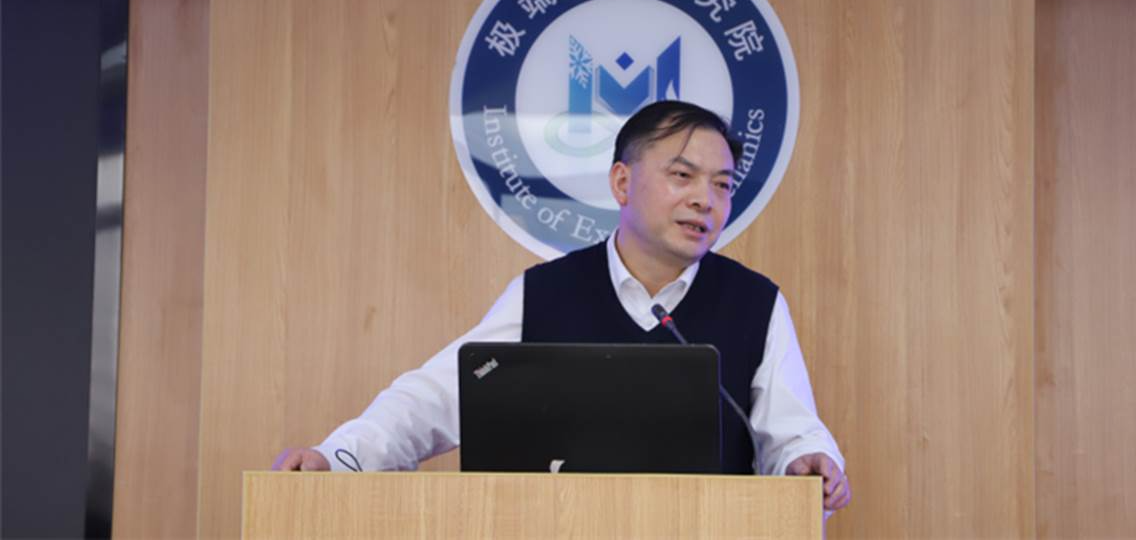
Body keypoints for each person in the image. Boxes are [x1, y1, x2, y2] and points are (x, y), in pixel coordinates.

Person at [275, 101, 851, 512]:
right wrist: (338, 457)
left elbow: (791, 433)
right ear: (622, 183)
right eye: (683, 176)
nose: (706, 199)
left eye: (723, 185)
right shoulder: (546, 292)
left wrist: (810, 462)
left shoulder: (755, 301)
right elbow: (437, 396)